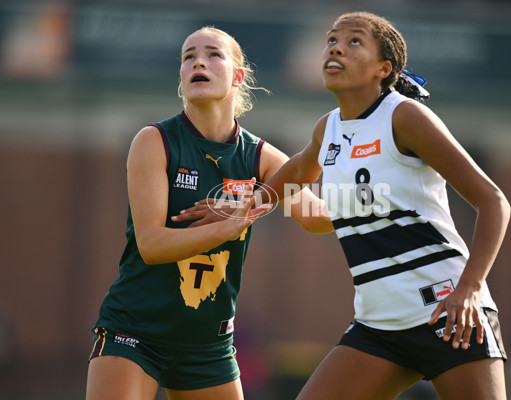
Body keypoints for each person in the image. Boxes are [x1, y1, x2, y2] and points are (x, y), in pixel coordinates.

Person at [252, 11, 511, 400]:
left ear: (383, 68)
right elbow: (294, 176)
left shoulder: (405, 116)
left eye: (354, 41)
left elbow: (493, 201)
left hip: (449, 313)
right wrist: (236, 211)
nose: (336, 46)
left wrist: (470, 288)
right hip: (379, 326)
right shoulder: (328, 129)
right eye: (332, 40)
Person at [85, 27, 331, 400]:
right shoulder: (155, 141)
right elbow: (151, 244)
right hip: (134, 333)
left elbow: (316, 217)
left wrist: (381, 196)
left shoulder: (260, 156)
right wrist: (230, 225)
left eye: (213, 54)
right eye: (188, 56)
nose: (198, 61)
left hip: (209, 346)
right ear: (183, 77)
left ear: (238, 76)